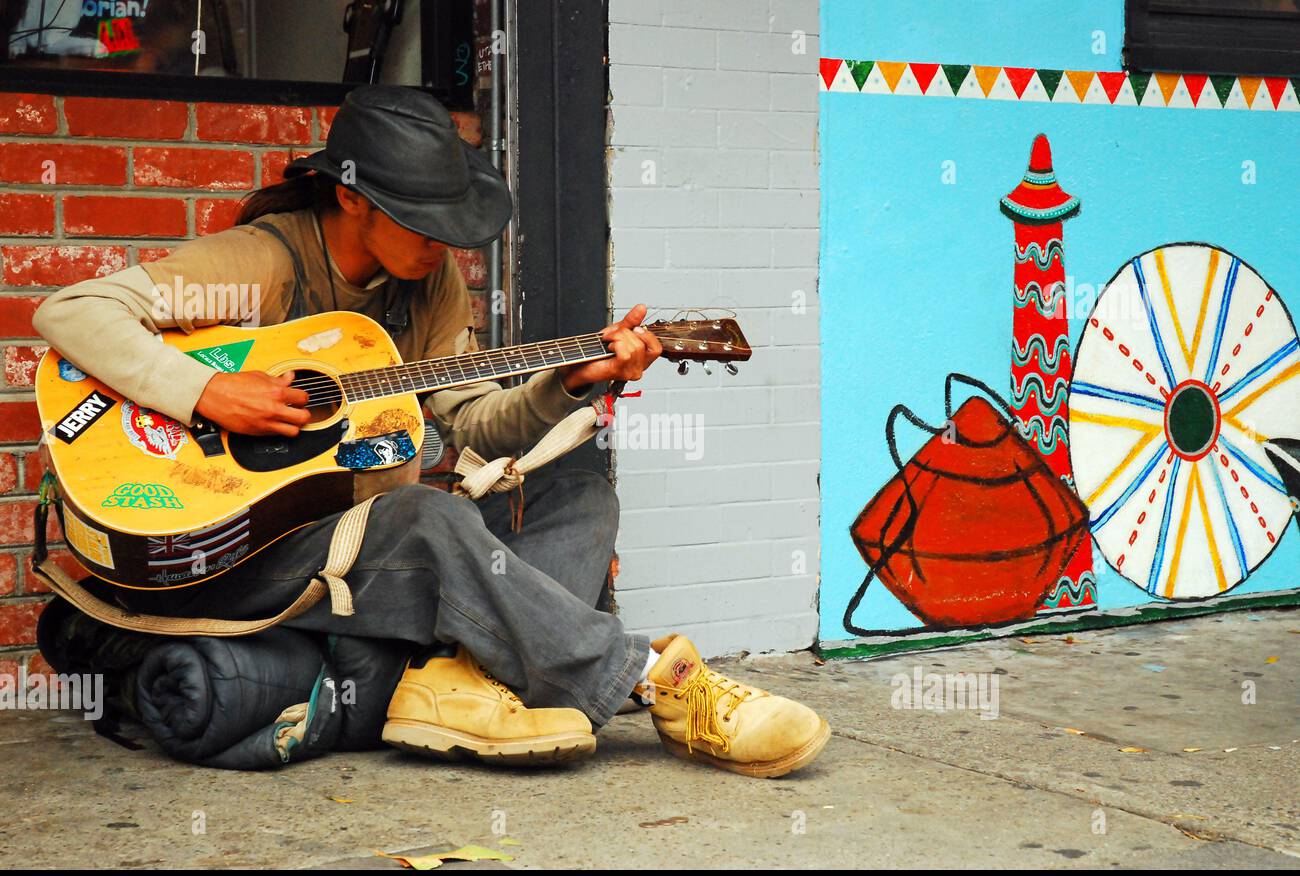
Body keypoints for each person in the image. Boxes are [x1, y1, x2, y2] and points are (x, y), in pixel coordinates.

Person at [33, 85, 830, 778]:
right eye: (420, 221)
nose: (441, 243)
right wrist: (208, 392)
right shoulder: (264, 262)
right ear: (349, 197)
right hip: (235, 550)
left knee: (580, 497)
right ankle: (653, 682)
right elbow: (70, 310)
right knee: (423, 513)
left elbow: (480, 423)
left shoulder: (429, 285)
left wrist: (571, 381)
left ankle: (457, 682)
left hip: (363, 554)